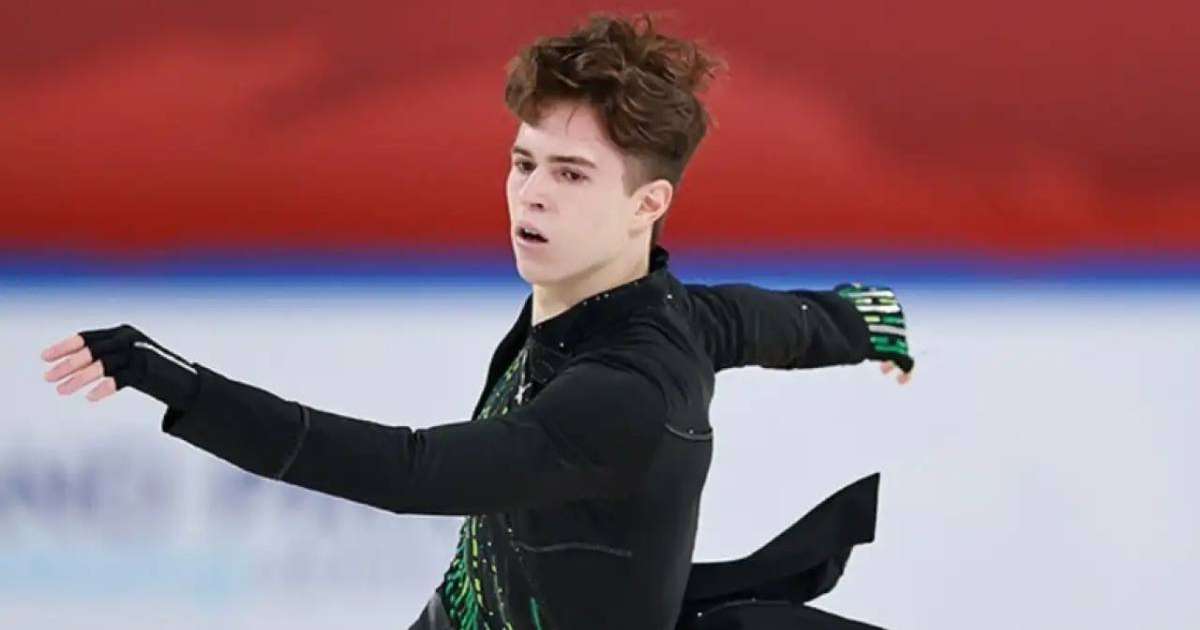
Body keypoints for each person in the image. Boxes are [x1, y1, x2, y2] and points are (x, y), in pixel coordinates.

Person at [39, 12, 914, 630]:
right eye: (524, 162)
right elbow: (779, 321)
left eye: (570, 174)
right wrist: (869, 321)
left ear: (648, 203)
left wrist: (178, 383)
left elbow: (410, 472)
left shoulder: (627, 392)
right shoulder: (642, 306)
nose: (531, 194)